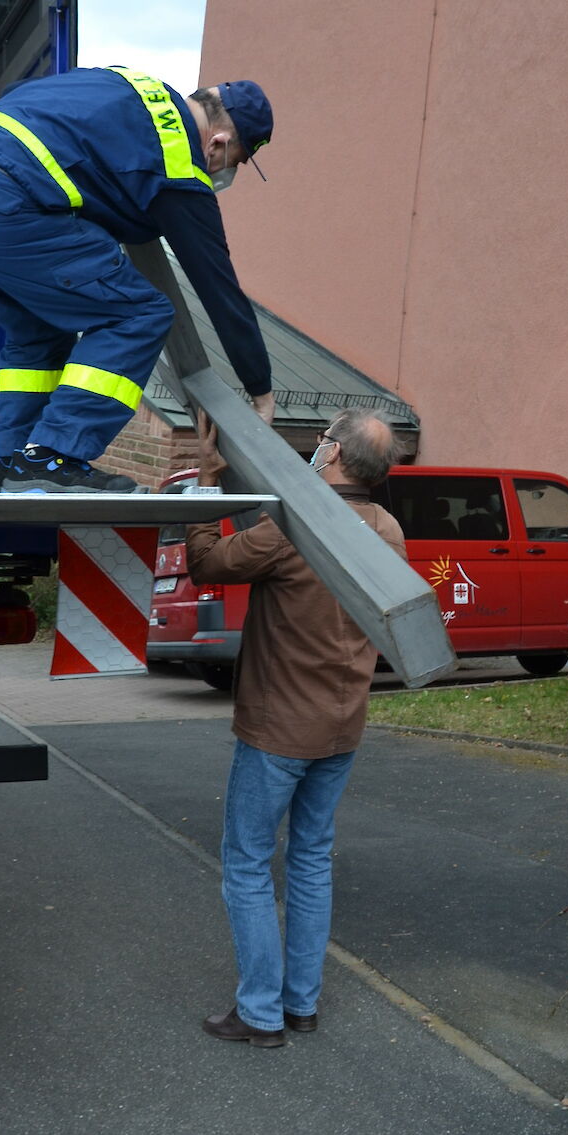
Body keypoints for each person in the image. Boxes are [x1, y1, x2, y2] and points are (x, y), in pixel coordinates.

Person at [0, 67, 275, 494]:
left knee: (38, 331)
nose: (221, 174)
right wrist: (260, 389)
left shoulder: (132, 84)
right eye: (232, 164)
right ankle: (53, 458)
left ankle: (9, 465)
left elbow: (19, 92)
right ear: (219, 142)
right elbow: (219, 287)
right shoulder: (179, 160)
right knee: (140, 313)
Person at [186, 408, 405, 1047]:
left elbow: (208, 562)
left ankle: (259, 1013)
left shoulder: (292, 525)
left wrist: (205, 482)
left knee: (248, 862)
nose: (317, 447)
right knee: (310, 860)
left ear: (332, 453)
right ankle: (300, 1004)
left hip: (280, 727)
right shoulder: (387, 528)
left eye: (324, 440)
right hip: (343, 726)